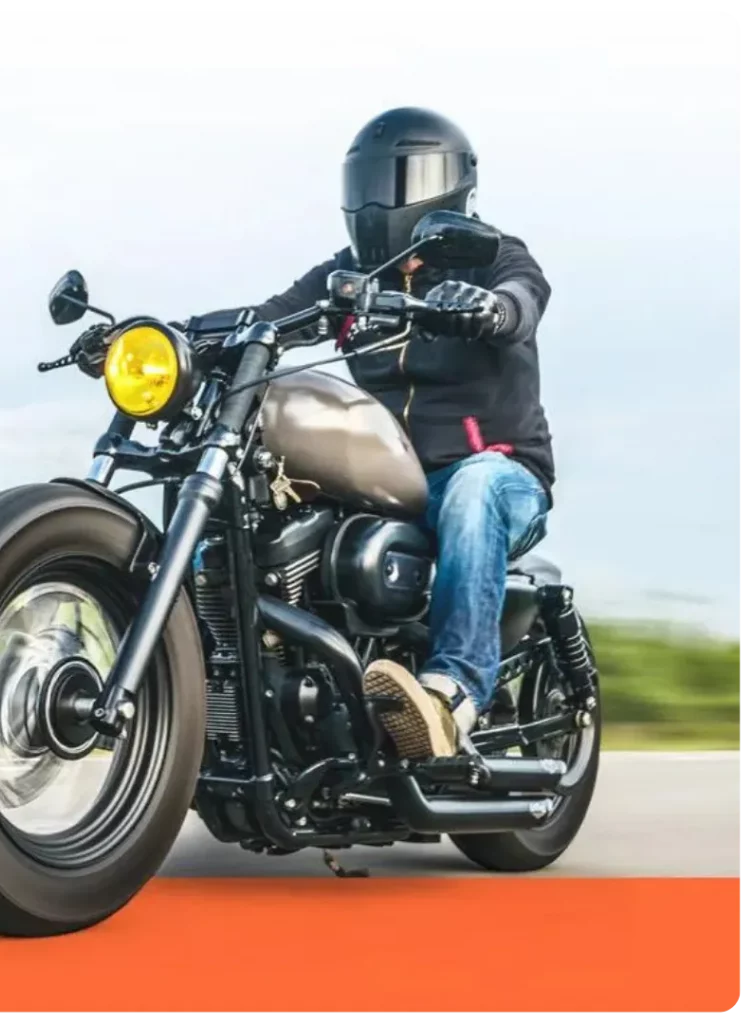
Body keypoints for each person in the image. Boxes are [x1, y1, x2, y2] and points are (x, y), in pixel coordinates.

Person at [77, 106, 555, 762]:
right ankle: (233, 693)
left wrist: (491, 308)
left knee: (474, 492)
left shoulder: (493, 257)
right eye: (368, 182)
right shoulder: (351, 278)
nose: (380, 198)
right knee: (258, 501)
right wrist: (160, 337)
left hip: (494, 470)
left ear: (449, 186)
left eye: (400, 179)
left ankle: (452, 697)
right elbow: (266, 319)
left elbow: (525, 298)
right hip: (390, 483)